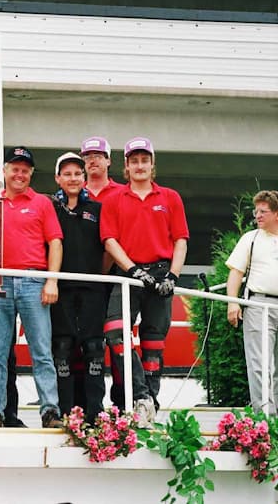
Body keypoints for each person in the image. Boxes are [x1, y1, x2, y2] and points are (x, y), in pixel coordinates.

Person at [100, 137, 189, 426]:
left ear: (152, 164)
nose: (139, 165)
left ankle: (150, 402)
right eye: (134, 160)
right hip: (128, 274)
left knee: (153, 343)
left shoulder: (170, 197)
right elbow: (110, 241)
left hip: (162, 273)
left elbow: (180, 240)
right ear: (126, 165)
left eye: (144, 160)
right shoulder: (114, 199)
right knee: (115, 333)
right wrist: (134, 270)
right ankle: (139, 394)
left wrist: (173, 276)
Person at [0, 146, 64, 429]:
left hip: (33, 280)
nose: (19, 174)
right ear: (4, 171)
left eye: (24, 169)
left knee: (41, 351)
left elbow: (55, 241)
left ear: (31, 173)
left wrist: (51, 280)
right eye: (14, 168)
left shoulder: (42, 202)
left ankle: (50, 411)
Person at [50, 152, 106, 422]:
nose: (72, 179)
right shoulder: (49, 208)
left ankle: (95, 412)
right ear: (58, 178)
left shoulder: (97, 209)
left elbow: (108, 247)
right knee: (62, 348)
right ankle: (65, 412)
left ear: (84, 178)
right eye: (67, 174)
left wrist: (99, 275)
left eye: (77, 174)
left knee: (94, 348)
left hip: (93, 289)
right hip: (60, 290)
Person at [80, 135, 124, 407]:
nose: (92, 160)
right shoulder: (74, 191)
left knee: (117, 339)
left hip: (114, 275)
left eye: (98, 155)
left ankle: (123, 401)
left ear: (109, 160)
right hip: (82, 278)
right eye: (87, 156)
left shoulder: (122, 193)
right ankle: (83, 403)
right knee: (83, 342)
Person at [225, 190, 278, 414]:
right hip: (258, 304)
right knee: (260, 365)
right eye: (256, 211)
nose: (257, 215)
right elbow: (236, 273)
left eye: (263, 211)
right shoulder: (251, 238)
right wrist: (232, 303)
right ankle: (267, 421)